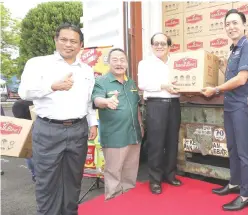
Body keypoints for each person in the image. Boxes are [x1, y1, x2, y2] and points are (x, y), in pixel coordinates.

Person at [18, 23, 98, 215]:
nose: (68, 44)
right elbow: (24, 92)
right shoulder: (38, 63)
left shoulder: (86, 70)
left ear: (81, 45)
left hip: (78, 129)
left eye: (73, 41)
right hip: (48, 130)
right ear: (55, 40)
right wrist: (52, 86)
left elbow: (88, 101)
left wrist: (92, 122)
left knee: (73, 179)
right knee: (47, 181)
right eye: (63, 39)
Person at [201, 9, 248, 211]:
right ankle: (235, 183)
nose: (231, 27)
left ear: (244, 25)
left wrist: (216, 89)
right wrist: (222, 68)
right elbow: (232, 76)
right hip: (230, 105)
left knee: (244, 152)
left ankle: (246, 195)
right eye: (227, 24)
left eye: (235, 23)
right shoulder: (233, 49)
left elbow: (242, 79)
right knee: (232, 148)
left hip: (243, 106)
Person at [92, 48, 144, 200]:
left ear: (127, 63)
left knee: (130, 172)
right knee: (113, 173)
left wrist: (141, 126)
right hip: (115, 136)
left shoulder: (131, 83)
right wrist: (106, 102)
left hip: (133, 135)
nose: (119, 63)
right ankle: (113, 204)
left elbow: (136, 108)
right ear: (108, 62)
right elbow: (97, 100)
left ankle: (127, 202)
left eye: (122, 60)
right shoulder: (101, 82)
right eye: (115, 60)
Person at [138, 32, 182, 195]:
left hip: (174, 104)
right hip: (156, 105)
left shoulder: (176, 63)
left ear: (169, 46)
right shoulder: (145, 63)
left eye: (163, 43)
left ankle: (169, 174)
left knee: (172, 141)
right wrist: (163, 85)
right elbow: (143, 84)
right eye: (156, 43)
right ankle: (155, 180)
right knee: (156, 143)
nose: (159, 46)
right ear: (151, 46)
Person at [12, 99, 35, 182]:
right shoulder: (30, 103)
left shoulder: (17, 104)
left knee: (29, 155)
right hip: (32, 123)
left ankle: (34, 174)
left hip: (23, 125)